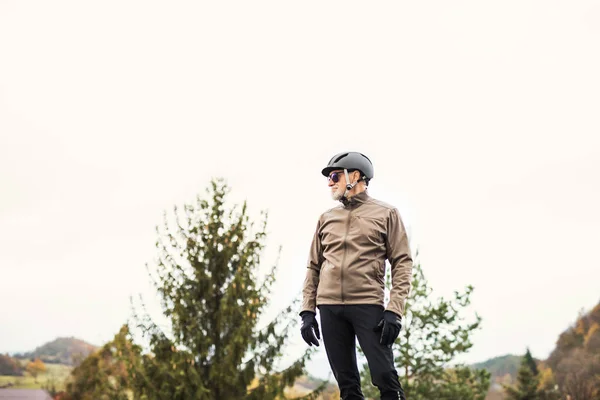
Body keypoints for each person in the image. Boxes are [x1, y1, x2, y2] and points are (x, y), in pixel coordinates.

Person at [300, 151, 413, 400]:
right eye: (329, 177)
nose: (330, 182)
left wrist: (394, 310)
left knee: (386, 378)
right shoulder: (326, 218)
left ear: (355, 176)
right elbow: (313, 266)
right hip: (329, 308)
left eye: (334, 175)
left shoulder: (387, 213)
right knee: (347, 387)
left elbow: (402, 263)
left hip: (367, 305)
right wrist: (308, 312)